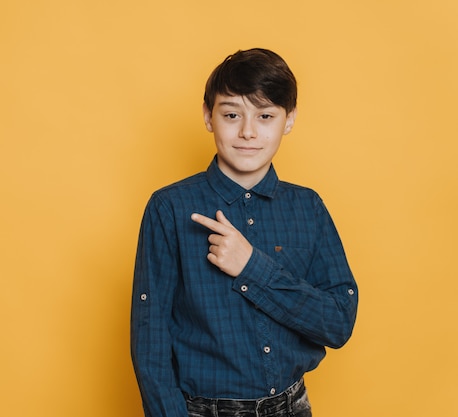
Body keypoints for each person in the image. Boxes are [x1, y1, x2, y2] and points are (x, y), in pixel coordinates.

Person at [130, 48, 358, 417]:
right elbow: (150, 341)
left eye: (265, 115)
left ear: (288, 120)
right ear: (208, 116)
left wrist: (252, 267)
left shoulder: (308, 207)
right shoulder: (169, 209)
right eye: (232, 115)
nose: (248, 132)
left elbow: (337, 324)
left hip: (292, 406)